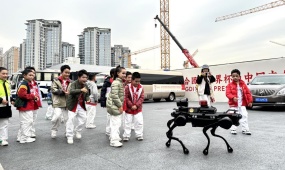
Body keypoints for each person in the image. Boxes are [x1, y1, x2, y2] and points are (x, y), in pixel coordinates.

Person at [66, 69, 90, 144]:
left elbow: (86, 94)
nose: (85, 79)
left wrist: (87, 99)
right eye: (83, 77)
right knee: (71, 119)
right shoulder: (73, 83)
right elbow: (71, 91)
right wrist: (81, 90)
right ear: (79, 77)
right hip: (73, 104)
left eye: (86, 77)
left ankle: (78, 130)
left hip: (81, 105)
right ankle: (69, 136)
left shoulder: (86, 85)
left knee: (84, 118)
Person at [15, 69, 39, 143]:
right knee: (27, 121)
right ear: (24, 75)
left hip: (25, 106)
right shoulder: (24, 84)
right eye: (30, 75)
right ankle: (25, 138)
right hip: (25, 105)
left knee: (24, 122)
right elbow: (22, 95)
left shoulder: (25, 83)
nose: (32, 77)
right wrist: (33, 96)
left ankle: (21, 137)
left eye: (33, 75)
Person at [226, 69, 253, 135]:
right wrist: (233, 97)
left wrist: (250, 101)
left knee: (244, 115)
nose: (235, 77)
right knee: (233, 116)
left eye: (236, 76)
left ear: (239, 76)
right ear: (231, 77)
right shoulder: (229, 85)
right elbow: (227, 93)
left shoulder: (243, 84)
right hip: (233, 105)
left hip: (242, 104)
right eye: (233, 76)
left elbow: (248, 93)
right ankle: (233, 129)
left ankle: (245, 129)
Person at [106, 65, 126, 147]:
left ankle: (114, 137)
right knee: (115, 124)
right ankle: (114, 141)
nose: (124, 75)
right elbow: (114, 96)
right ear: (118, 73)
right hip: (114, 106)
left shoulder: (119, 82)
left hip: (114, 105)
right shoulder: (116, 83)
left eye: (125, 73)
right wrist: (120, 106)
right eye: (123, 73)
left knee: (115, 123)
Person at [50, 65, 71, 138]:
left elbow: (71, 91)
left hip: (67, 103)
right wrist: (62, 92)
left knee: (67, 119)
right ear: (61, 72)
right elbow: (53, 90)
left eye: (68, 73)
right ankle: (54, 130)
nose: (67, 74)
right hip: (58, 102)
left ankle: (67, 132)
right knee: (57, 117)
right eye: (66, 72)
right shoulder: (56, 80)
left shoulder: (70, 82)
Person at [123, 72, 144, 141]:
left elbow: (141, 97)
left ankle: (139, 135)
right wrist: (131, 105)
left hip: (138, 109)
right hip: (129, 109)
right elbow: (126, 97)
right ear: (132, 80)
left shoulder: (141, 87)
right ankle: (126, 135)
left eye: (139, 81)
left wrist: (136, 105)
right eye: (136, 81)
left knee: (139, 122)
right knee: (127, 123)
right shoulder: (127, 87)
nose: (137, 83)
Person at [0, 67, 14, 146]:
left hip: (5, 107)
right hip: (1, 104)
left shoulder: (7, 83)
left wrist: (12, 100)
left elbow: (8, 94)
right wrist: (1, 100)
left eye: (6, 73)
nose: (5, 75)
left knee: (4, 123)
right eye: (3, 73)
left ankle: (3, 139)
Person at [100, 68, 116, 136]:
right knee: (109, 116)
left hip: (116, 100)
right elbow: (103, 92)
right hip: (109, 100)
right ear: (113, 74)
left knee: (115, 116)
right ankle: (108, 130)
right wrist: (103, 102)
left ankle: (114, 130)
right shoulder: (107, 81)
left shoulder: (118, 81)